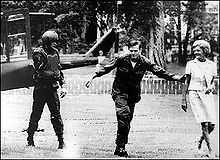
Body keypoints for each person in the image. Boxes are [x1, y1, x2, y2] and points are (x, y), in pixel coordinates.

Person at [86, 40, 185, 157]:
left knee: (127, 120)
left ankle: (120, 146)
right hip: (119, 92)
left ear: (140, 51)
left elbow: (160, 72)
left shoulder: (145, 62)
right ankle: (121, 147)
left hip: (133, 95)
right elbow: (106, 68)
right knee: (123, 114)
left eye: (135, 51)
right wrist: (93, 76)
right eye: (131, 51)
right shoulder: (121, 59)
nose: (133, 53)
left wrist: (176, 78)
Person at [26, 30, 67, 149]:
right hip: (41, 88)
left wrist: (63, 84)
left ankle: (61, 141)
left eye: (55, 42)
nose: (55, 44)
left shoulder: (55, 52)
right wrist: (47, 63)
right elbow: (39, 69)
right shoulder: (38, 53)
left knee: (56, 115)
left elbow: (58, 69)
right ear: (46, 42)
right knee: (36, 114)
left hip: (52, 88)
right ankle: (30, 138)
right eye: (53, 42)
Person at [181, 40, 217, 158]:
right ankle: (211, 150)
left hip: (207, 95)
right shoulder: (191, 64)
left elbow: (212, 83)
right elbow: (186, 81)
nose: (195, 52)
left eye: (198, 50)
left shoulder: (211, 65)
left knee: (212, 125)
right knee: (204, 123)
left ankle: (200, 141)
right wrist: (183, 99)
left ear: (205, 51)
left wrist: (210, 88)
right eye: (194, 50)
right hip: (194, 93)